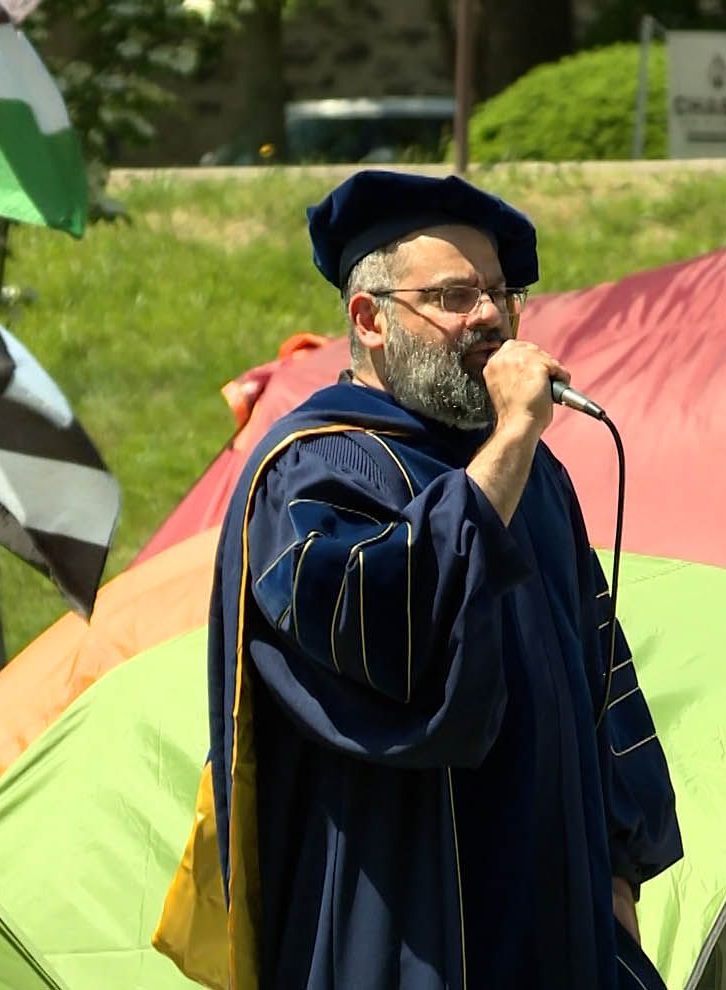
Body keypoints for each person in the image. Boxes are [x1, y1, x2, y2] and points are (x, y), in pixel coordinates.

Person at [162, 170, 684, 990]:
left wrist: (619, 875)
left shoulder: (535, 476)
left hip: (560, 929)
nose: (487, 317)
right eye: (451, 295)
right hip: (405, 923)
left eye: (500, 295)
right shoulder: (312, 472)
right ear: (370, 320)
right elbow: (400, 635)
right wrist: (509, 443)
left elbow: (598, 678)